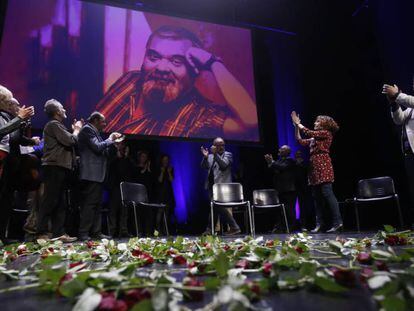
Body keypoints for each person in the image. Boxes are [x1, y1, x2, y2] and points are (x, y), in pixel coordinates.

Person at [96, 25, 258, 140]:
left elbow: (251, 120)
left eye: (176, 61)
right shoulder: (129, 80)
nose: (162, 68)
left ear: (194, 73)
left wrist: (212, 62)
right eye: (154, 57)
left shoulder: (199, 115)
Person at [36, 99, 80, 242]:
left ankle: (58, 233)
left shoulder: (57, 126)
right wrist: (77, 130)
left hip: (60, 167)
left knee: (60, 202)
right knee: (49, 200)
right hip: (53, 167)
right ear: (56, 112)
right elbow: (71, 140)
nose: (65, 110)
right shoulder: (53, 125)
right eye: (62, 108)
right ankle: (41, 232)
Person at [291, 111, 343, 233]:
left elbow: (308, 132)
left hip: (323, 164)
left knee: (327, 193)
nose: (315, 122)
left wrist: (299, 124)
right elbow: (300, 140)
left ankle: (338, 222)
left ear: (324, 124)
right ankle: (320, 224)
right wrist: (296, 127)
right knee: (317, 197)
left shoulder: (326, 133)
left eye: (318, 121)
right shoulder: (315, 138)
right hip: (314, 167)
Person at [77, 111, 122, 241]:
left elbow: (106, 153)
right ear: (95, 120)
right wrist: (110, 139)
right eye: (103, 121)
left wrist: (114, 144)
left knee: (97, 206)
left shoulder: (96, 133)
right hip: (91, 174)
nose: (105, 123)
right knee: (90, 205)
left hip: (98, 175)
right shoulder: (87, 129)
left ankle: (96, 232)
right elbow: (97, 148)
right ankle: (83, 232)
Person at [383, 82, 414, 227]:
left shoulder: (411, 101)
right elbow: (399, 119)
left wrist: (396, 94)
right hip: (409, 153)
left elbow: (409, 100)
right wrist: (394, 103)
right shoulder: (410, 108)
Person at [201, 137, 241, 235]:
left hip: (223, 187)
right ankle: (211, 229)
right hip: (212, 187)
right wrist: (205, 158)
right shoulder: (210, 156)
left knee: (217, 205)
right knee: (214, 207)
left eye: (222, 144)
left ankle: (232, 227)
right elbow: (204, 166)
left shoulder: (228, 155)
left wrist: (215, 154)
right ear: (214, 146)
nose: (221, 147)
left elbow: (223, 166)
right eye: (218, 145)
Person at [264, 145, 298, 231]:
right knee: (280, 210)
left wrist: (272, 161)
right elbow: (273, 169)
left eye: (282, 149)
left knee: (289, 210)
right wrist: (270, 163)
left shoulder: (290, 160)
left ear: (287, 152)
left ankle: (290, 227)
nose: (279, 150)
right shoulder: (279, 161)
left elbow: (282, 167)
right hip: (280, 189)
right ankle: (280, 227)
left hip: (289, 189)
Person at [107, 141, 134, 237]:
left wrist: (126, 157)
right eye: (119, 144)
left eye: (122, 144)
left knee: (124, 211)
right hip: (114, 187)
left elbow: (130, 171)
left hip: (125, 188)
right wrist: (116, 157)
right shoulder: (111, 154)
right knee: (113, 210)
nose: (121, 146)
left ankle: (124, 231)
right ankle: (112, 231)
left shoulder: (127, 159)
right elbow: (108, 167)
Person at [132, 150, 155, 236]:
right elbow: (139, 176)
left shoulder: (149, 169)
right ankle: (139, 231)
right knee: (138, 213)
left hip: (147, 193)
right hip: (137, 193)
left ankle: (148, 231)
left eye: (145, 157)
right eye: (142, 156)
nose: (143, 158)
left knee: (148, 213)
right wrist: (145, 168)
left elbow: (151, 180)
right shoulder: (136, 167)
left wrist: (148, 168)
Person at [154, 154, 176, 234]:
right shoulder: (158, 168)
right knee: (159, 212)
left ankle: (165, 230)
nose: (165, 161)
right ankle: (158, 230)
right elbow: (159, 180)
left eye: (167, 160)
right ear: (161, 160)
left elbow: (171, 179)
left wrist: (169, 172)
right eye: (164, 160)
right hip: (160, 193)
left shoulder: (170, 169)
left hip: (168, 193)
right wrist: (162, 172)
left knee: (166, 213)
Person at [294, 150, 311, 230]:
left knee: (304, 206)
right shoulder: (293, 163)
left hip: (304, 188)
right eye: (297, 154)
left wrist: (300, 164)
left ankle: (305, 225)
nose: (298, 155)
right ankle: (293, 225)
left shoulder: (305, 163)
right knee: (292, 207)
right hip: (293, 187)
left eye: (299, 154)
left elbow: (309, 172)